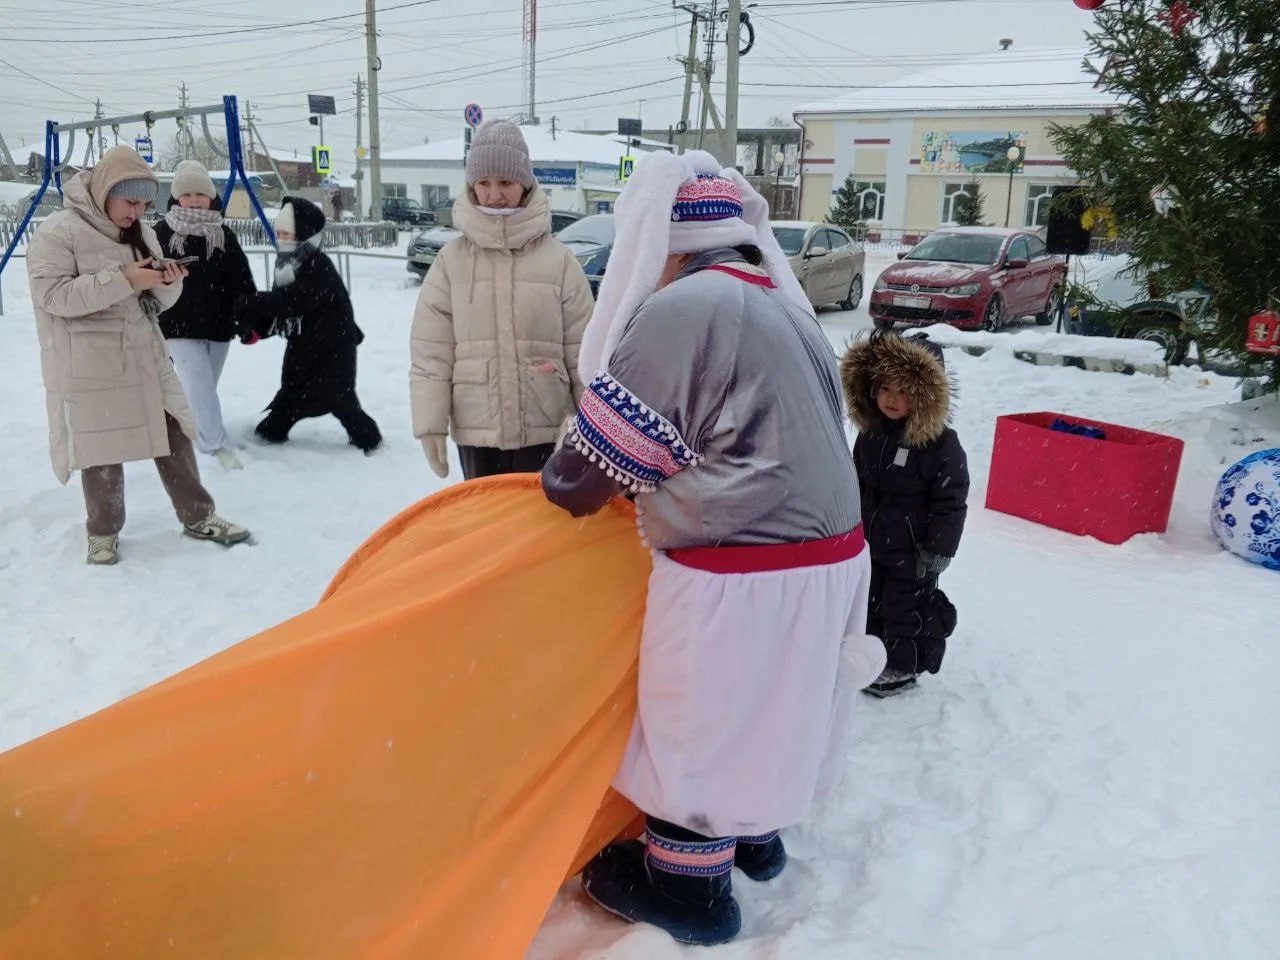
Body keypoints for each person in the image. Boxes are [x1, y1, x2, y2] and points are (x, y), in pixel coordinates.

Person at [539, 150, 886, 946]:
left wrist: (560, 473)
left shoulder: (689, 306)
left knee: (702, 717)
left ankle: (688, 887)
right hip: (830, 555)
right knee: (779, 707)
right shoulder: (780, 301)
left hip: (745, 565)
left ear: (659, 241)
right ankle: (755, 837)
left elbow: (586, 475)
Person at [26, 145, 252, 565]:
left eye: (145, 203)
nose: (137, 212)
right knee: (101, 451)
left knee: (174, 435)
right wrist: (124, 277)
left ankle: (198, 515)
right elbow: (52, 296)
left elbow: (157, 301)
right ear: (106, 190)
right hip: (92, 364)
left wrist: (167, 280)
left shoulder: (141, 233)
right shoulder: (59, 231)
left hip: (145, 354)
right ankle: (103, 532)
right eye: (131, 201)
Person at [409, 119, 593, 481]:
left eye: (505, 182)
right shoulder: (452, 261)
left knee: (541, 533)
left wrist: (593, 426)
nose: (494, 195)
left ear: (524, 184)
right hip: (477, 429)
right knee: (488, 532)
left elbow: (584, 352)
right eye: (484, 183)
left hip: (548, 428)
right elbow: (431, 351)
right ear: (471, 185)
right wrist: (429, 423)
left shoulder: (559, 262)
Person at [840, 330, 969, 697]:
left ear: (925, 397)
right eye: (884, 388)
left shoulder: (941, 445)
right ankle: (869, 655)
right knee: (869, 600)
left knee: (905, 608)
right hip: (870, 542)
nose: (891, 399)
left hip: (914, 551)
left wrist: (939, 549)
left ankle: (902, 665)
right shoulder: (872, 435)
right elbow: (857, 483)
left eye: (904, 390)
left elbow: (951, 502)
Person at [235, 196, 382, 453]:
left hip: (334, 348)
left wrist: (250, 301)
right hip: (304, 346)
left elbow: (292, 302)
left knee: (342, 400)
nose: (281, 238)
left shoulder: (317, 265)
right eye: (278, 232)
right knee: (292, 395)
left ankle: (370, 442)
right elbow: (281, 313)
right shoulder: (288, 264)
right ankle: (271, 432)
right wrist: (257, 329)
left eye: (286, 233)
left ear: (302, 233)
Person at [153, 160, 257, 471]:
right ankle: (214, 445)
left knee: (204, 387)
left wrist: (249, 317)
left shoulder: (224, 235)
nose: (194, 199)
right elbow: (148, 274)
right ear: (176, 198)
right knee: (199, 385)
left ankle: (182, 426)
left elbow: (242, 281)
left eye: (200, 193)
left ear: (211, 196)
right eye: (187, 194)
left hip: (219, 325)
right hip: (177, 324)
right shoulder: (161, 232)